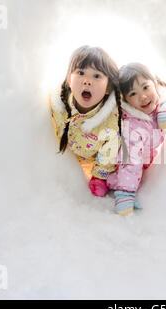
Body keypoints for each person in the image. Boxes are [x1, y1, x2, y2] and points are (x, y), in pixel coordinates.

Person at [49, 46, 122, 197]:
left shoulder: (110, 121)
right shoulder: (58, 106)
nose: (87, 81)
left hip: (92, 160)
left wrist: (99, 176)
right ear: (69, 79)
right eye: (81, 73)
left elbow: (109, 152)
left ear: (108, 87)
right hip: (68, 159)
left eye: (97, 76)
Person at [107, 63, 166, 215]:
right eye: (133, 94)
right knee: (117, 175)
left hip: (147, 157)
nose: (143, 97)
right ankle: (117, 186)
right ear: (125, 100)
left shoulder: (158, 99)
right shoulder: (132, 126)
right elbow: (129, 160)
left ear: (154, 84)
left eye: (145, 87)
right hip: (122, 165)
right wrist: (125, 193)